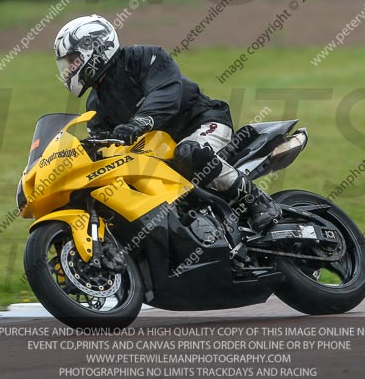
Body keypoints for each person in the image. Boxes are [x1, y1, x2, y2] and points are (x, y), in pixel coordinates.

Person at [54, 14, 281, 231]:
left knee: (188, 152)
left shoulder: (145, 58)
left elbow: (166, 93)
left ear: (96, 49)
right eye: (68, 64)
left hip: (201, 122)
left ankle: (257, 200)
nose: (69, 70)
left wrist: (139, 123)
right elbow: (104, 145)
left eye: (74, 61)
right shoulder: (96, 103)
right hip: (157, 152)